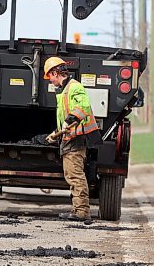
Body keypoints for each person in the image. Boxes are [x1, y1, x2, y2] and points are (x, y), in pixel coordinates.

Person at [44, 57, 102, 222]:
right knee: (72, 175)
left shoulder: (74, 87)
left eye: (50, 76)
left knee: (75, 175)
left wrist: (68, 122)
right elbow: (65, 118)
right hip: (69, 137)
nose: (50, 80)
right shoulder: (65, 91)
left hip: (76, 139)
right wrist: (57, 131)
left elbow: (82, 107)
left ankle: (82, 211)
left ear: (56, 73)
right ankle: (78, 208)